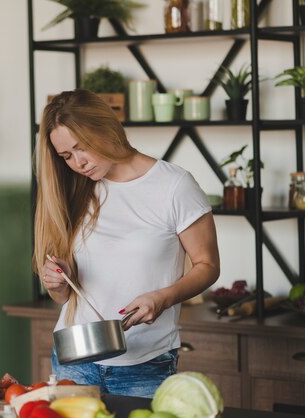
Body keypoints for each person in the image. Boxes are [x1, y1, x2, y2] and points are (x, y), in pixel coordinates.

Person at [32, 89, 220, 398]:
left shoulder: (173, 186)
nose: (78, 162)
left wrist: (163, 298)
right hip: (75, 363)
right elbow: (62, 297)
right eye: (66, 156)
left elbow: (208, 265)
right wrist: (56, 281)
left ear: (105, 128)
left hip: (146, 364)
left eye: (82, 147)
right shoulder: (76, 190)